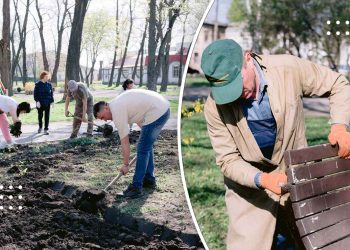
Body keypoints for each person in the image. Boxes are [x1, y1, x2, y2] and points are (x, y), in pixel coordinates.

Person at [201, 39, 350, 250]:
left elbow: (337, 83)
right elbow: (228, 160)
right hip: (250, 188)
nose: (235, 93)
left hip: (296, 177)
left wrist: (339, 127)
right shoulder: (214, 108)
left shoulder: (287, 69)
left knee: (309, 241)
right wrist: (261, 179)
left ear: (248, 58)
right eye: (226, 89)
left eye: (238, 82)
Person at [93, 89, 170, 198]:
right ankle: (148, 179)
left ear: (105, 107)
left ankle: (136, 188)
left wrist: (126, 164)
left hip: (157, 111)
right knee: (146, 146)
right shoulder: (118, 103)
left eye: (102, 117)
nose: (104, 120)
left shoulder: (117, 110)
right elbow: (138, 114)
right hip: (162, 108)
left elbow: (125, 142)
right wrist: (148, 134)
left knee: (142, 149)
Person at [34, 71, 54, 135]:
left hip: (47, 103)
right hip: (40, 103)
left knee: (47, 116)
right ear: (43, 77)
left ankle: (46, 129)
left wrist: (52, 101)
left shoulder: (49, 85)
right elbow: (35, 94)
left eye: (48, 76)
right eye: (46, 76)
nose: (47, 78)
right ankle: (40, 127)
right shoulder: (38, 85)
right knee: (40, 116)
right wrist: (37, 101)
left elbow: (51, 94)